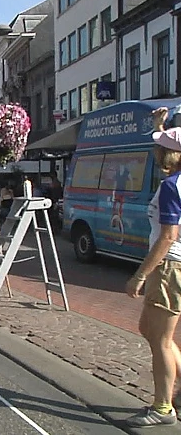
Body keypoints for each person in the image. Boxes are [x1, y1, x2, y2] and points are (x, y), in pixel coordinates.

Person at [125, 106, 181, 427]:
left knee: (160, 338)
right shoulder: (175, 182)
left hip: (170, 266)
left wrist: (141, 274)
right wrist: (160, 126)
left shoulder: (172, 188)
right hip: (174, 266)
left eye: (161, 149)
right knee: (150, 329)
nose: (157, 152)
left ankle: (163, 407)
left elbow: (168, 236)